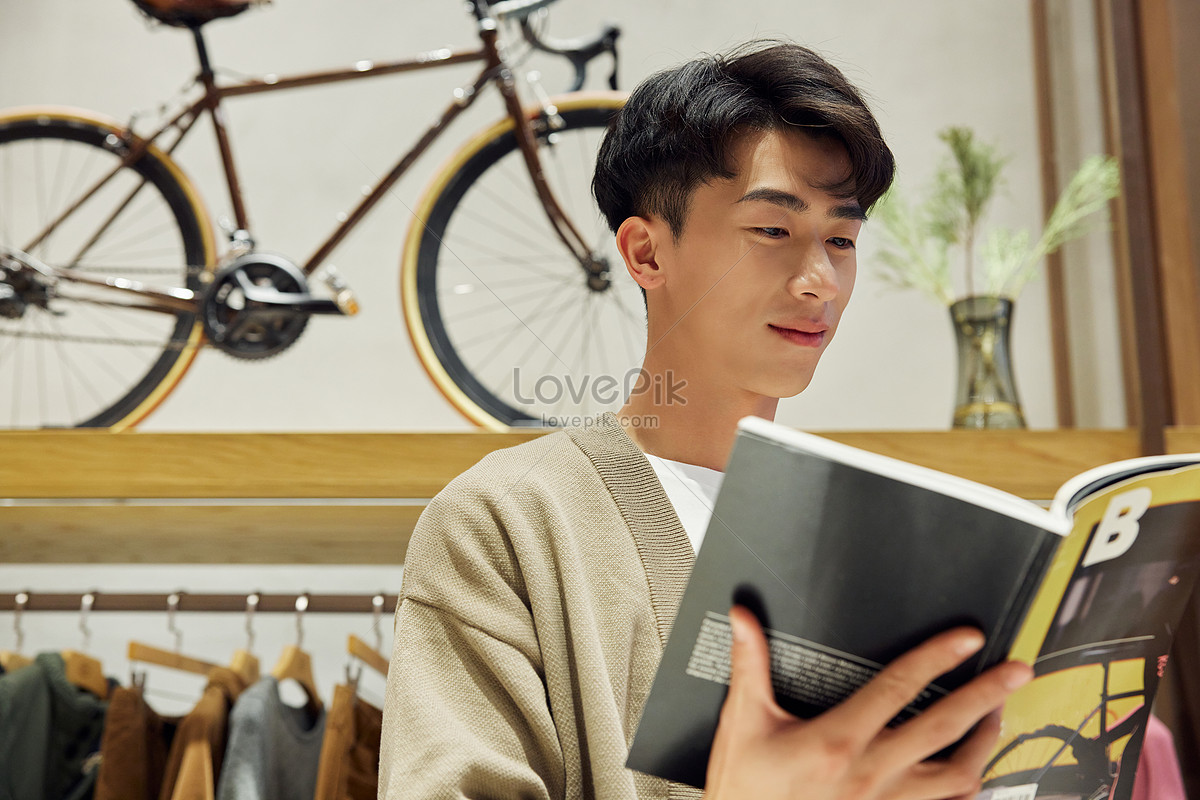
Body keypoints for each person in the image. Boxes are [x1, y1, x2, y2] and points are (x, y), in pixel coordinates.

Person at [379, 39, 1032, 800]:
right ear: (647, 254)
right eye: (773, 232)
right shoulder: (505, 523)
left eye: (842, 240)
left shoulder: (878, 538)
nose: (819, 281)